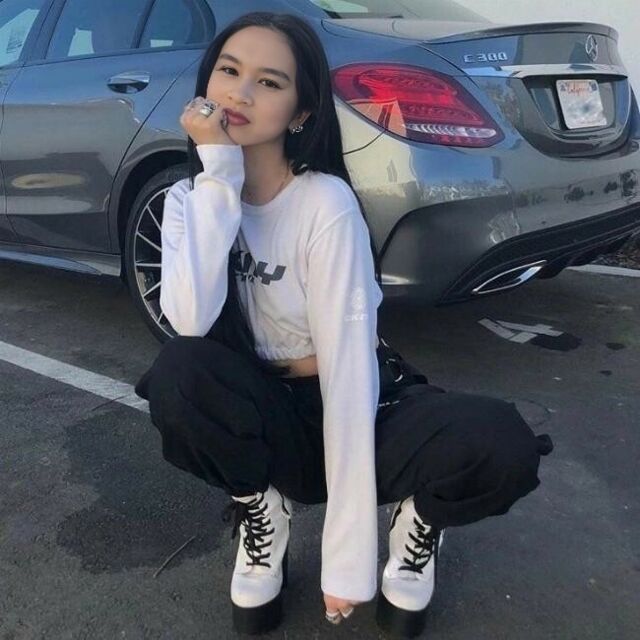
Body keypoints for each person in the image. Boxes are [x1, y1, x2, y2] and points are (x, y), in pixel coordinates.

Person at [133, 10, 554, 637]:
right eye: (229, 71)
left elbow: (349, 374)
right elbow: (190, 322)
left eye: (269, 82)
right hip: (266, 414)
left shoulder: (324, 204)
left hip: (357, 398)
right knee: (180, 375)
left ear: (301, 112)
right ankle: (261, 509)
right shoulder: (185, 202)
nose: (240, 93)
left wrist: (347, 563)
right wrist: (217, 171)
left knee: (499, 445)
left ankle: (416, 524)